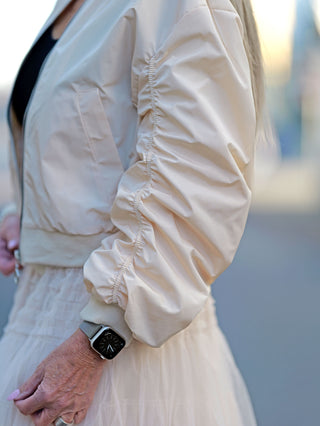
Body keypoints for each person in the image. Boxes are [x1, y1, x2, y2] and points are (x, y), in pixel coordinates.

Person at [0, 0, 264, 424]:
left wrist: (96, 341)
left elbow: (194, 184)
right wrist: (25, 216)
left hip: (118, 354)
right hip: (42, 318)